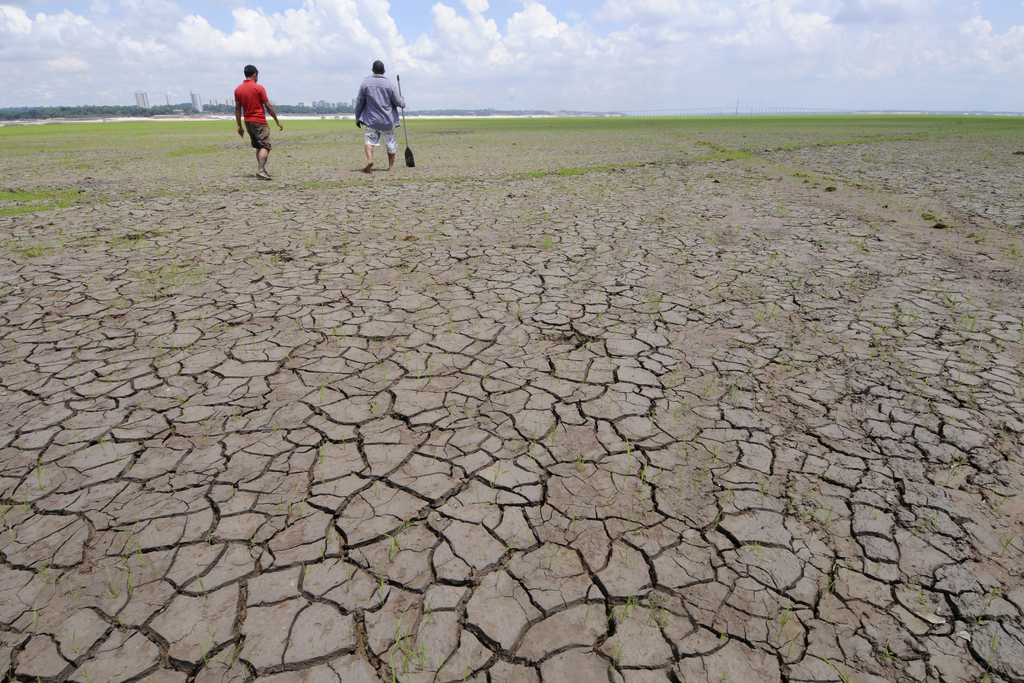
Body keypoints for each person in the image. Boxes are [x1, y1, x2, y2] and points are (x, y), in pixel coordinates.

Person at [354, 60, 406, 172]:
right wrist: (403, 101)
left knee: (369, 141)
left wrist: (357, 118)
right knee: (391, 143)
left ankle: (370, 159)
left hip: (371, 120)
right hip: (387, 121)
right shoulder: (390, 85)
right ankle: (390, 166)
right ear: (384, 71)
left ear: (372, 70)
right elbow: (398, 103)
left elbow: (359, 102)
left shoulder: (365, 83)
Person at [234, 65, 283, 180]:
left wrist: (239, 126)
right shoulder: (259, 88)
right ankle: (261, 170)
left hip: (248, 122)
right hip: (259, 121)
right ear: (255, 74)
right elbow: (268, 106)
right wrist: (277, 121)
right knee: (265, 146)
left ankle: (262, 170)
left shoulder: (238, 90)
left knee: (259, 146)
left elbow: (237, 109)